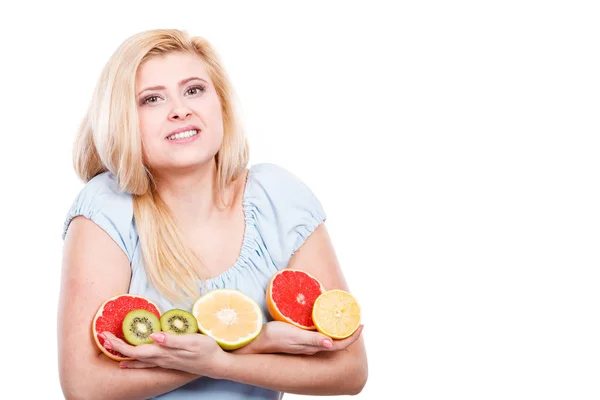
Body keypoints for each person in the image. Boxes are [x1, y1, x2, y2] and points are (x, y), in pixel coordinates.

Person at [58, 28, 368, 400]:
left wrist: (220, 361)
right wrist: (252, 342)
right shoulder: (108, 207)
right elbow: (84, 387)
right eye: (152, 99)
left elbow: (349, 370)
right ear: (123, 119)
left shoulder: (278, 198)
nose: (180, 110)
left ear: (220, 102)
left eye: (194, 90)